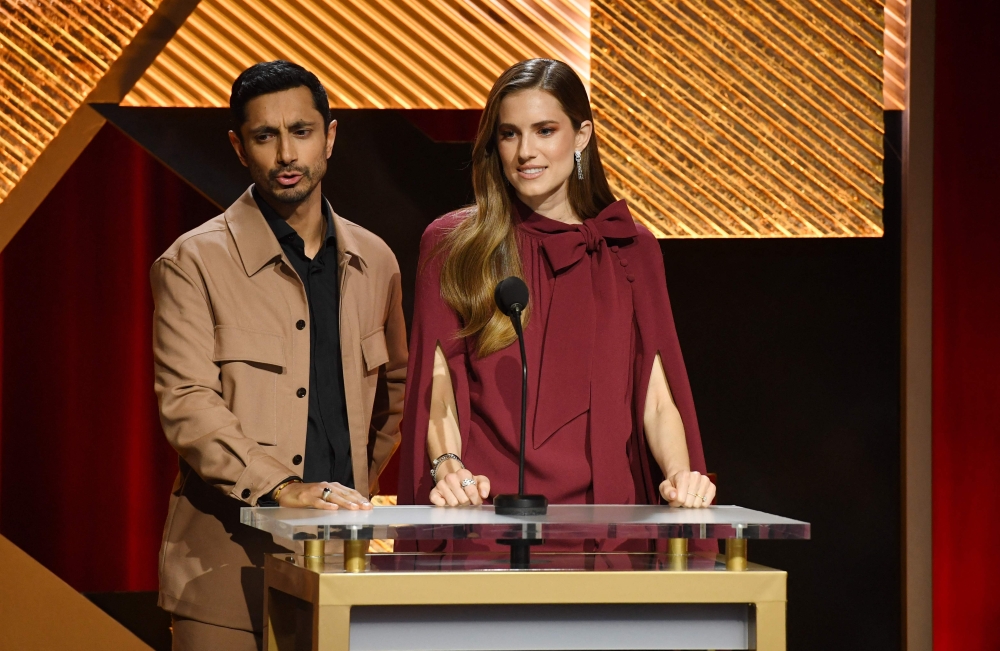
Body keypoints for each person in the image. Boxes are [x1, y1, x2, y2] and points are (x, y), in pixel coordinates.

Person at [151, 60, 406, 650]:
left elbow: (393, 395)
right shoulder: (193, 262)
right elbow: (187, 404)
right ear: (239, 147)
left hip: (342, 566)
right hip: (223, 571)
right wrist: (283, 486)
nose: (287, 154)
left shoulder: (376, 261)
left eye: (301, 131)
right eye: (265, 136)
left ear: (330, 137)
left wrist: (349, 490)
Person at [398, 58, 715, 517]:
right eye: (510, 134)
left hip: (607, 516)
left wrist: (680, 476)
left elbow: (657, 394)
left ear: (581, 136)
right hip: (489, 510)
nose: (525, 151)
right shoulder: (453, 245)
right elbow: (438, 381)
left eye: (545, 131)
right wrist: (448, 468)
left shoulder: (630, 248)